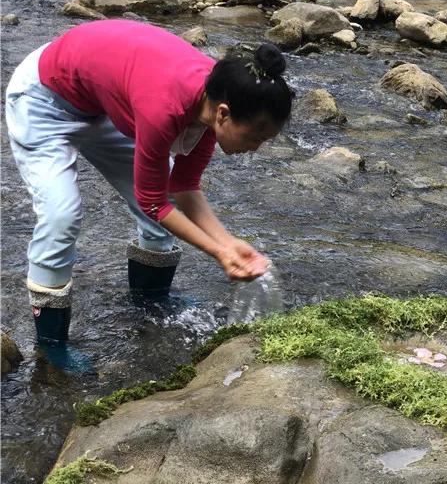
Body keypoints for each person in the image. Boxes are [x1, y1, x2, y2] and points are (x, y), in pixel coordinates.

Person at [4, 19, 292, 355]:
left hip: (100, 103)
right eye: (256, 136)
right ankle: (51, 346)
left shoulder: (218, 96)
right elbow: (154, 201)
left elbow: (182, 185)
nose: (255, 147)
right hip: (45, 98)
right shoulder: (166, 106)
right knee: (61, 216)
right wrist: (219, 252)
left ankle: (150, 304)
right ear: (224, 115)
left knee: (161, 203)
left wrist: (228, 242)